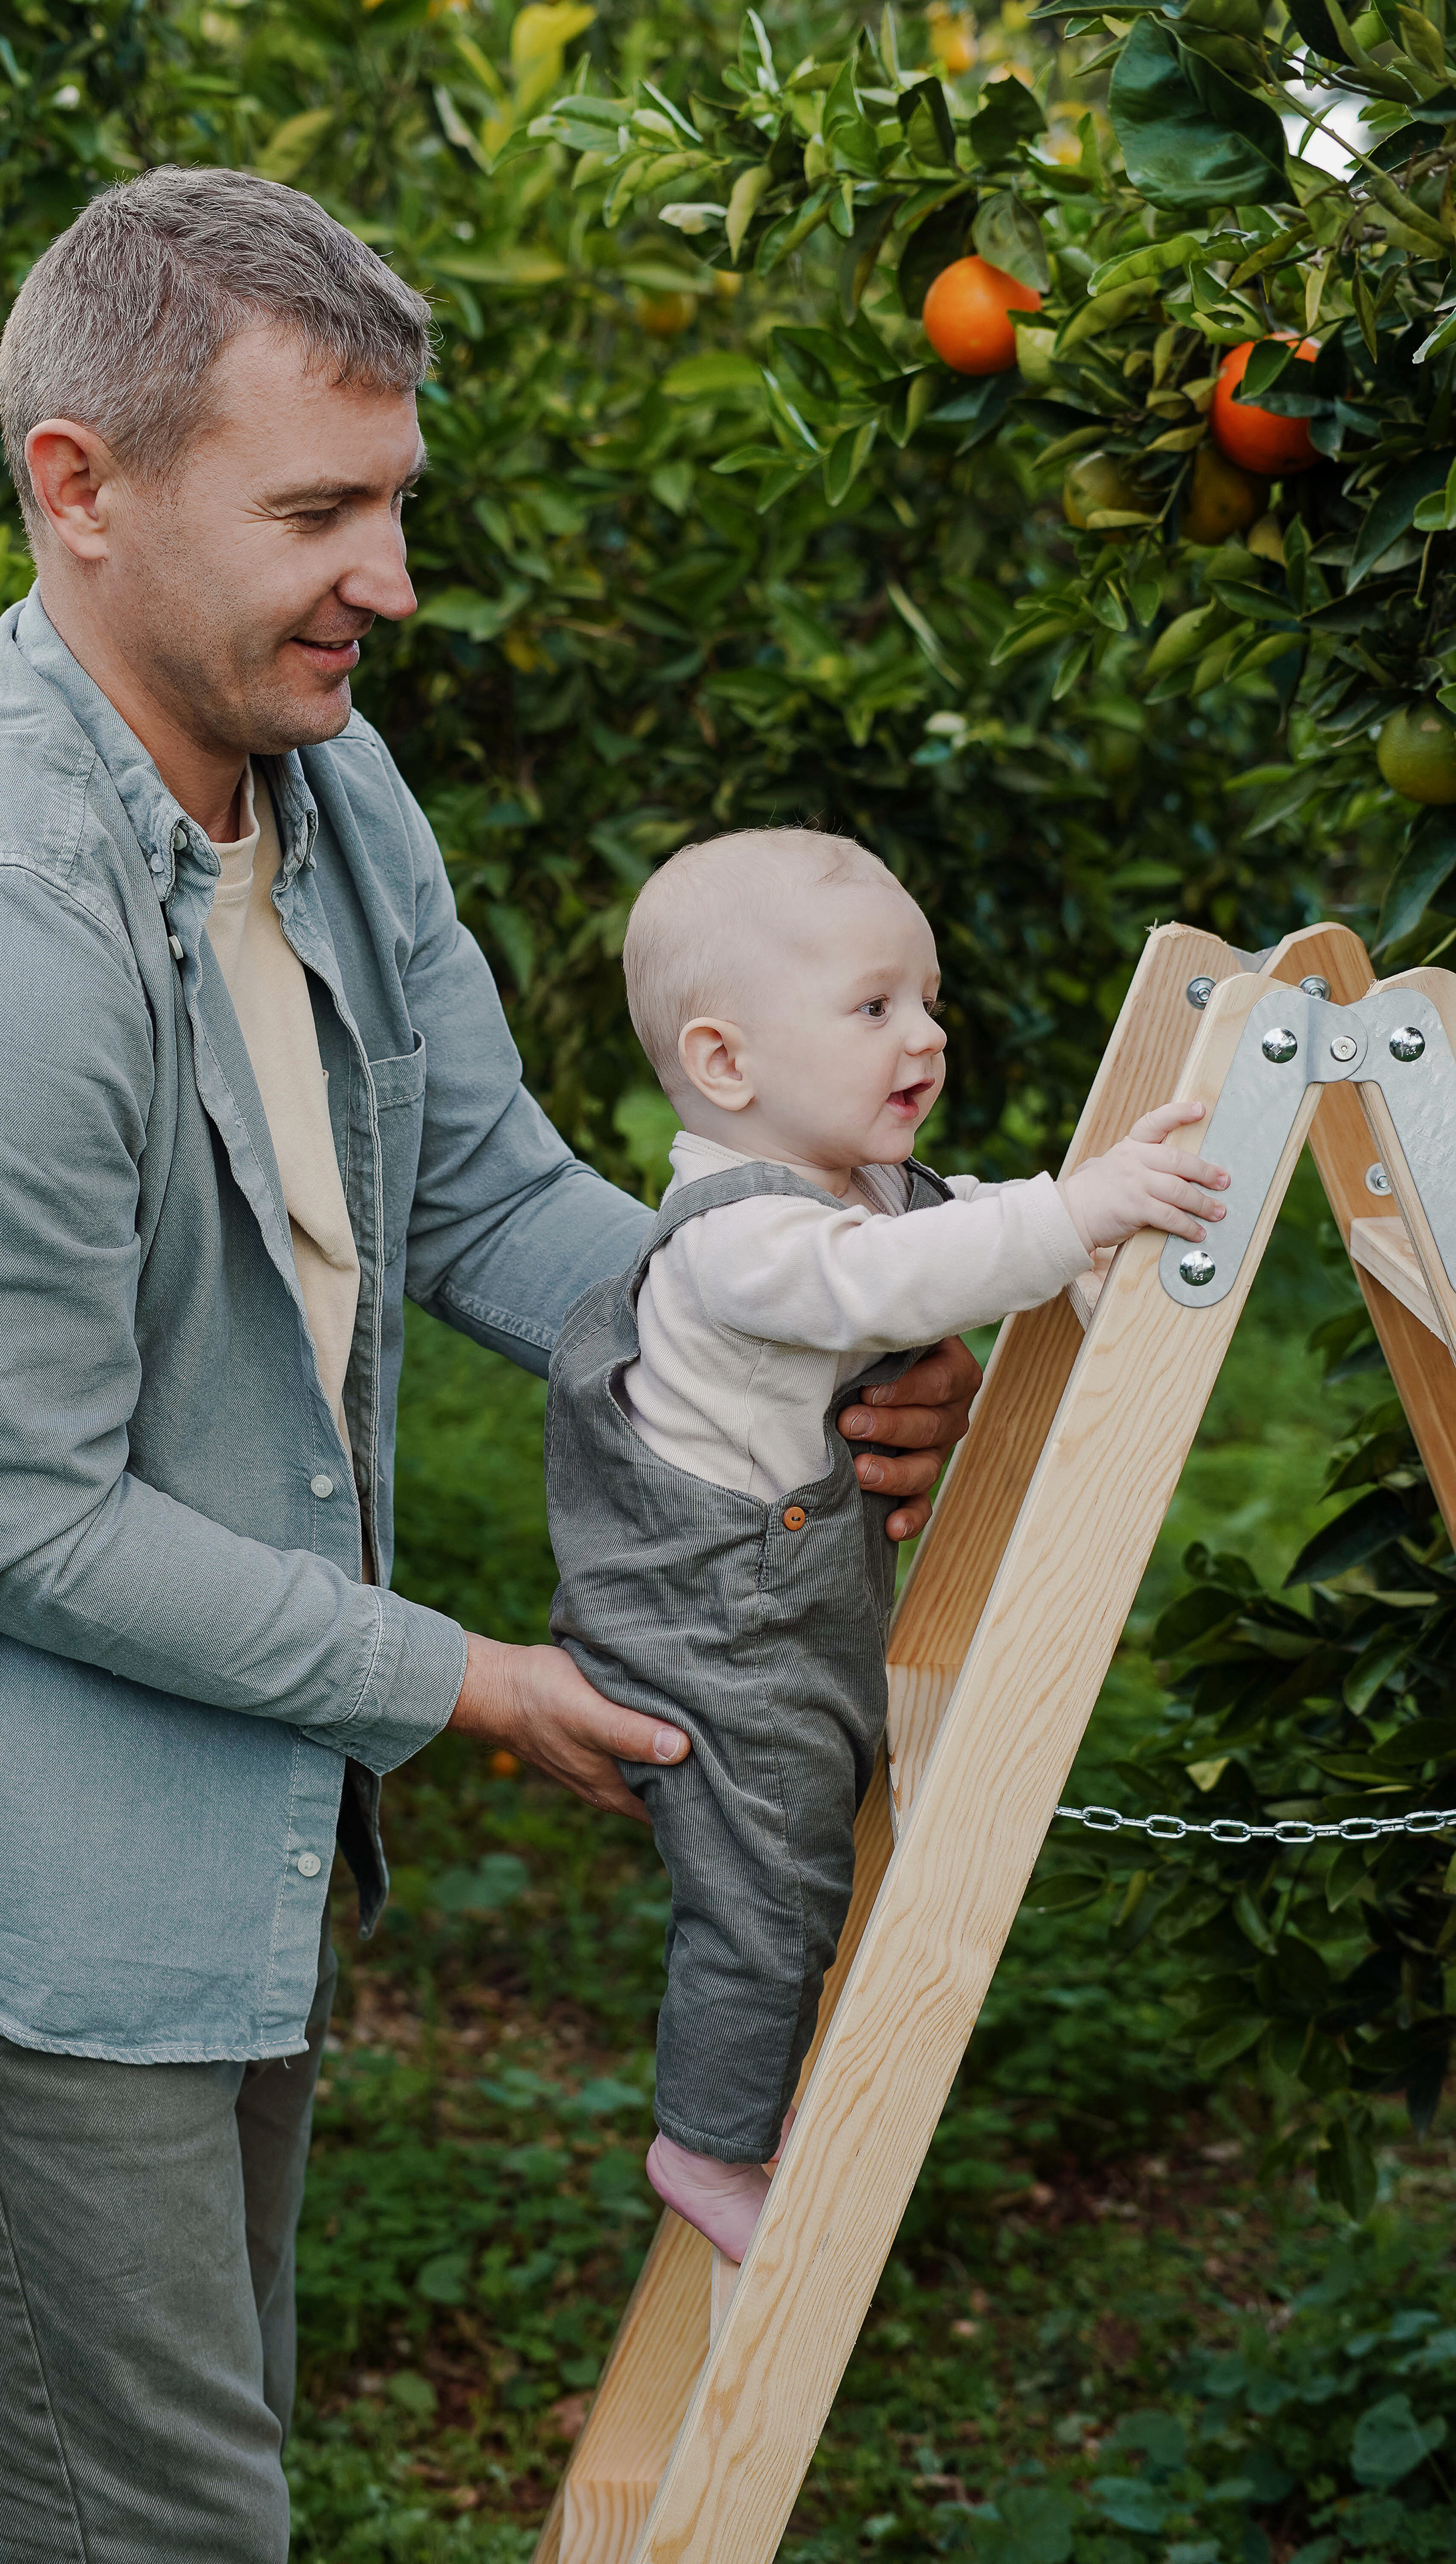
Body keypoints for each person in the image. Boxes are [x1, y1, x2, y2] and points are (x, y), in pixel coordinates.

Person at [0, 172, 981, 2562]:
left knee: (204, 2484)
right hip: (37, 1895)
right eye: (318, 513)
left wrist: (780, 1360)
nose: (392, 584)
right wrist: (465, 1683)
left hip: (228, 1842)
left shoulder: (318, 773)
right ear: (76, 489)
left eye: (395, 503)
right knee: (157, 2536)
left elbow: (491, 1194)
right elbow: (21, 1521)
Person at [545, 827, 1230, 2264]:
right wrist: (1076, 1212)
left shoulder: (858, 1189)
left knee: (817, 1846)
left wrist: (1080, 1223)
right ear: (725, 1067)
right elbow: (888, 1282)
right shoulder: (736, 1241)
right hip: (695, 1636)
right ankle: (706, 2141)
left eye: (926, 1002)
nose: (921, 1036)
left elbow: (962, 1226)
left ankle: (734, 2111)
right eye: (870, 1010)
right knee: (769, 1889)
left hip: (782, 1615)